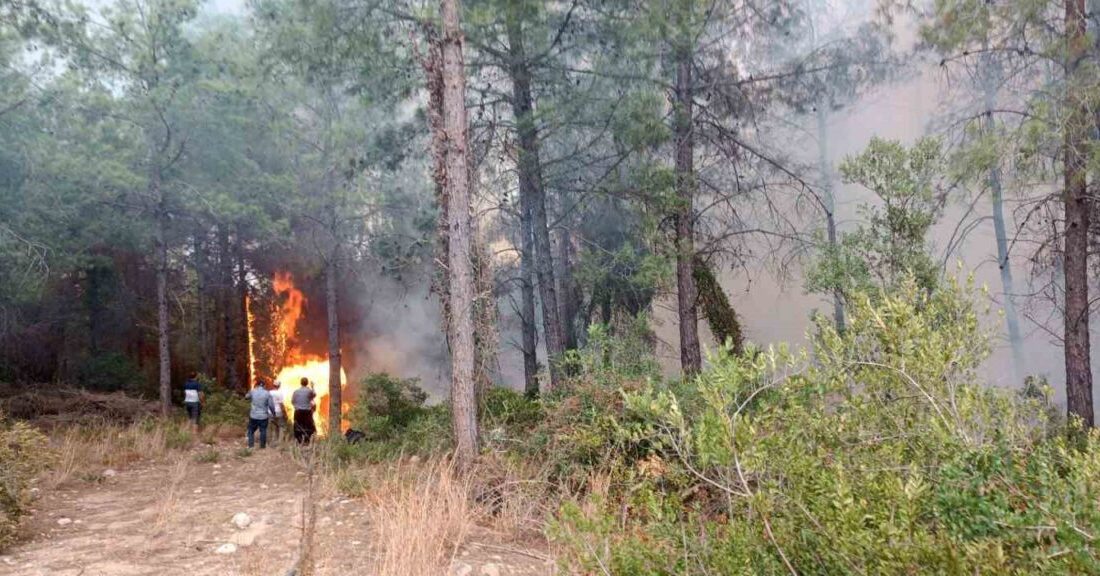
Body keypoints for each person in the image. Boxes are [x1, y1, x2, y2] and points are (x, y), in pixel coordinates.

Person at [244, 378, 276, 449]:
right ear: (264, 386)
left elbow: (246, 397)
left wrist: (250, 393)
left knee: (251, 430)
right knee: (263, 431)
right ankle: (262, 446)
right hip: (263, 416)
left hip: (253, 415)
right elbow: (271, 405)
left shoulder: (253, 391)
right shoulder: (267, 393)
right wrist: (273, 413)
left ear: (257, 385)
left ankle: (251, 446)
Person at [291, 377, 317, 445]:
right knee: (310, 426)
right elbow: (314, 395)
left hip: (298, 412)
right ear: (307, 383)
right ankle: (308, 439)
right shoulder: (309, 391)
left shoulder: (296, 391)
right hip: (307, 412)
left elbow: (293, 401)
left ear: (301, 383)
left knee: (297, 425)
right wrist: (313, 387)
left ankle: (298, 439)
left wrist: (296, 406)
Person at [269, 380, 287, 446]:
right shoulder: (280, 393)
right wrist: (284, 412)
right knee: (281, 426)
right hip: (278, 412)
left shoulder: (269, 392)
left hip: (270, 412)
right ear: (279, 386)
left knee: (274, 426)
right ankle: (280, 441)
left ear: (273, 385)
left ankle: (273, 441)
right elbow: (281, 404)